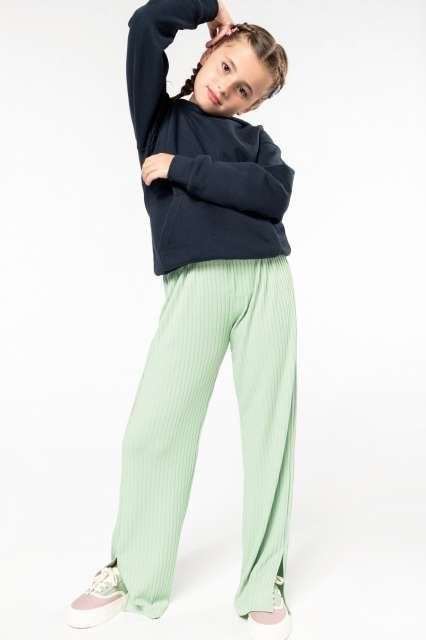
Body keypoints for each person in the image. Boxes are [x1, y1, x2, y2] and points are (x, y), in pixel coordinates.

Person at [66, 1, 297, 638]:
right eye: (225, 67)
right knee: (155, 430)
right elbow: (145, 26)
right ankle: (135, 575)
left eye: (244, 90)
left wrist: (182, 170)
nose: (226, 88)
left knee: (270, 434)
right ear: (208, 52)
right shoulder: (160, 119)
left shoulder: (256, 144)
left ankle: (264, 578)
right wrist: (210, 7)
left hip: (266, 282)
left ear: (253, 105)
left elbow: (274, 195)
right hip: (197, 285)